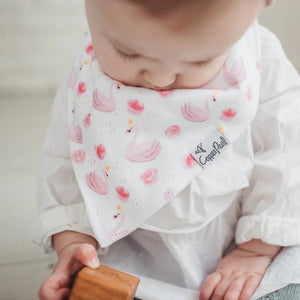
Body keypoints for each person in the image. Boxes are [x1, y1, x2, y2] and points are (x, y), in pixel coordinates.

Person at [33, 0, 300, 299]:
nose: (159, 80)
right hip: (131, 262)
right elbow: (68, 163)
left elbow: (286, 158)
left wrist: (256, 250)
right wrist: (73, 242)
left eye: (200, 60)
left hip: (249, 252)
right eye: (128, 52)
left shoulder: (260, 62)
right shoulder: (89, 75)